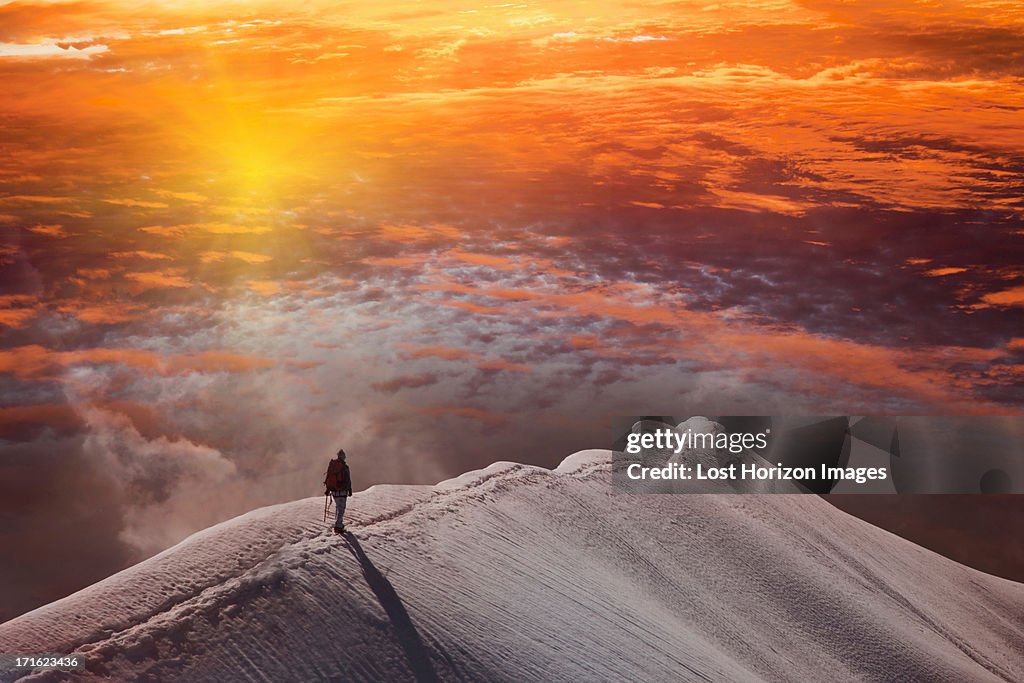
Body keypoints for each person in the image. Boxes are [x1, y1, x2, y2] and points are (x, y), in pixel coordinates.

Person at [324, 448, 353, 533]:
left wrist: (328, 489)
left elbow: (328, 477)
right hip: (342, 491)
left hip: (333, 491)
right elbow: (348, 479)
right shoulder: (345, 467)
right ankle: (338, 526)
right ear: (343, 457)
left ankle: (338, 523)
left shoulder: (332, 466)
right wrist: (350, 490)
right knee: (341, 508)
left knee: (338, 507)